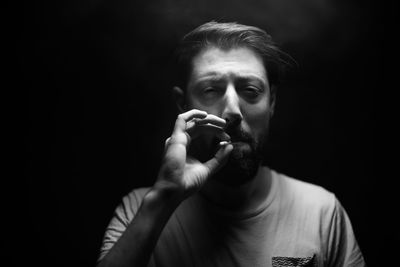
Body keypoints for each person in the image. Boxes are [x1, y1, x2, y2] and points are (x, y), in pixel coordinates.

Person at [97, 21, 365, 267]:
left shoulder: (321, 212)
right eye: (211, 90)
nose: (232, 111)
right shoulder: (140, 210)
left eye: (250, 90)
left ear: (271, 102)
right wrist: (164, 198)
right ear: (183, 105)